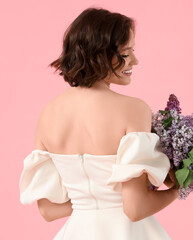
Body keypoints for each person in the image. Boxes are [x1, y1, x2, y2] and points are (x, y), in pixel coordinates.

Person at [19, 7, 179, 240]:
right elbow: (134, 209)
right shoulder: (133, 109)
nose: (135, 60)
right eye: (125, 54)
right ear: (98, 55)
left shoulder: (47, 114)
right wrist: (178, 189)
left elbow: (48, 209)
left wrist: (91, 204)